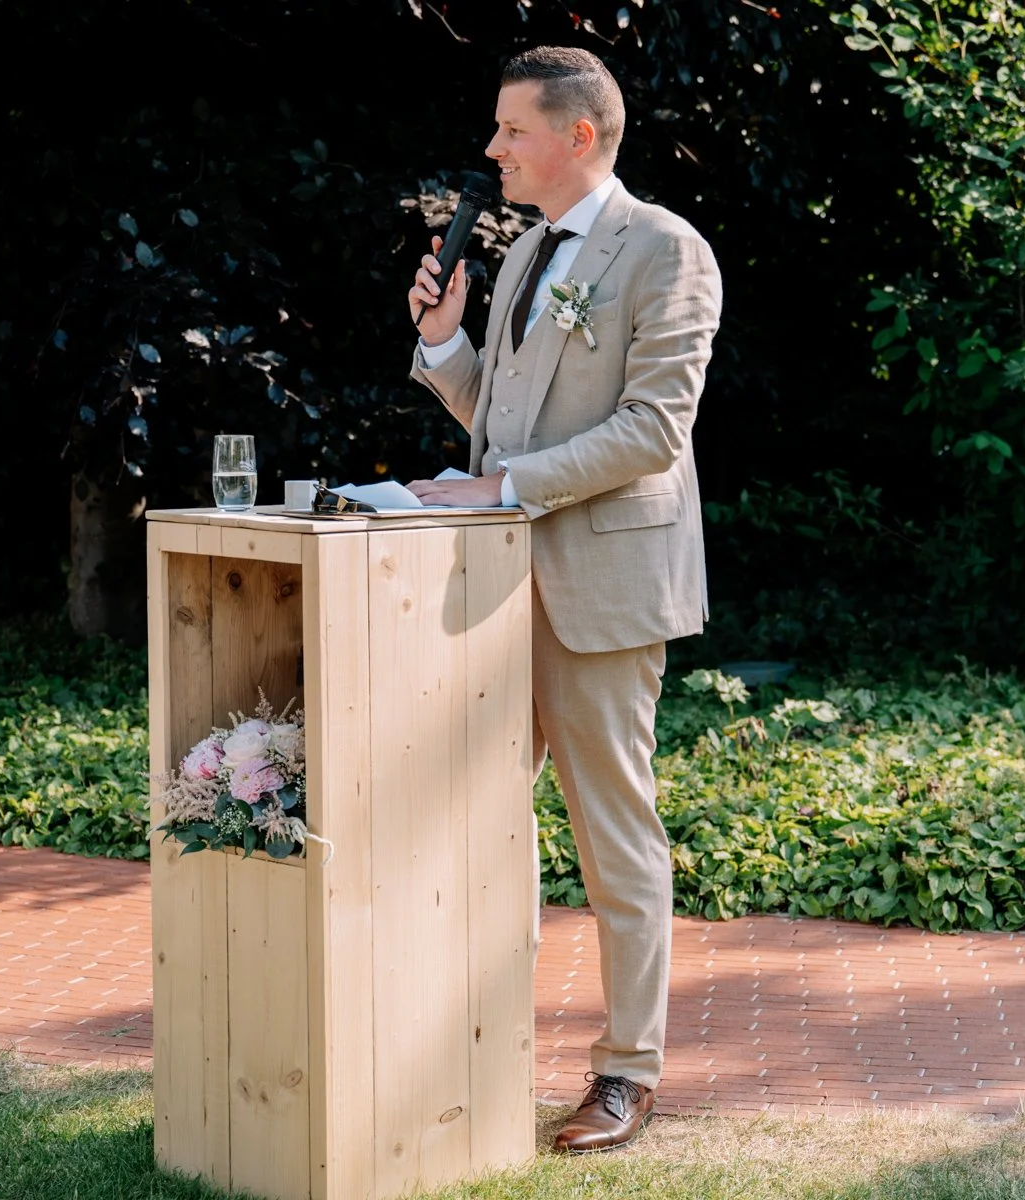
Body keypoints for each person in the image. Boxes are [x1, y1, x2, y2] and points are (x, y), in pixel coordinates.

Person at [405, 45, 721, 1153]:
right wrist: (443, 341)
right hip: (494, 590)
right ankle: (473, 1054)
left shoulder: (666, 249)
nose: (493, 149)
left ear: (578, 135)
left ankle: (628, 1071)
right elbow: (503, 426)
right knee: (476, 828)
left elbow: (652, 431)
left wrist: (499, 486)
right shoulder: (526, 253)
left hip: (602, 590)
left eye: (512, 129)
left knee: (613, 836)